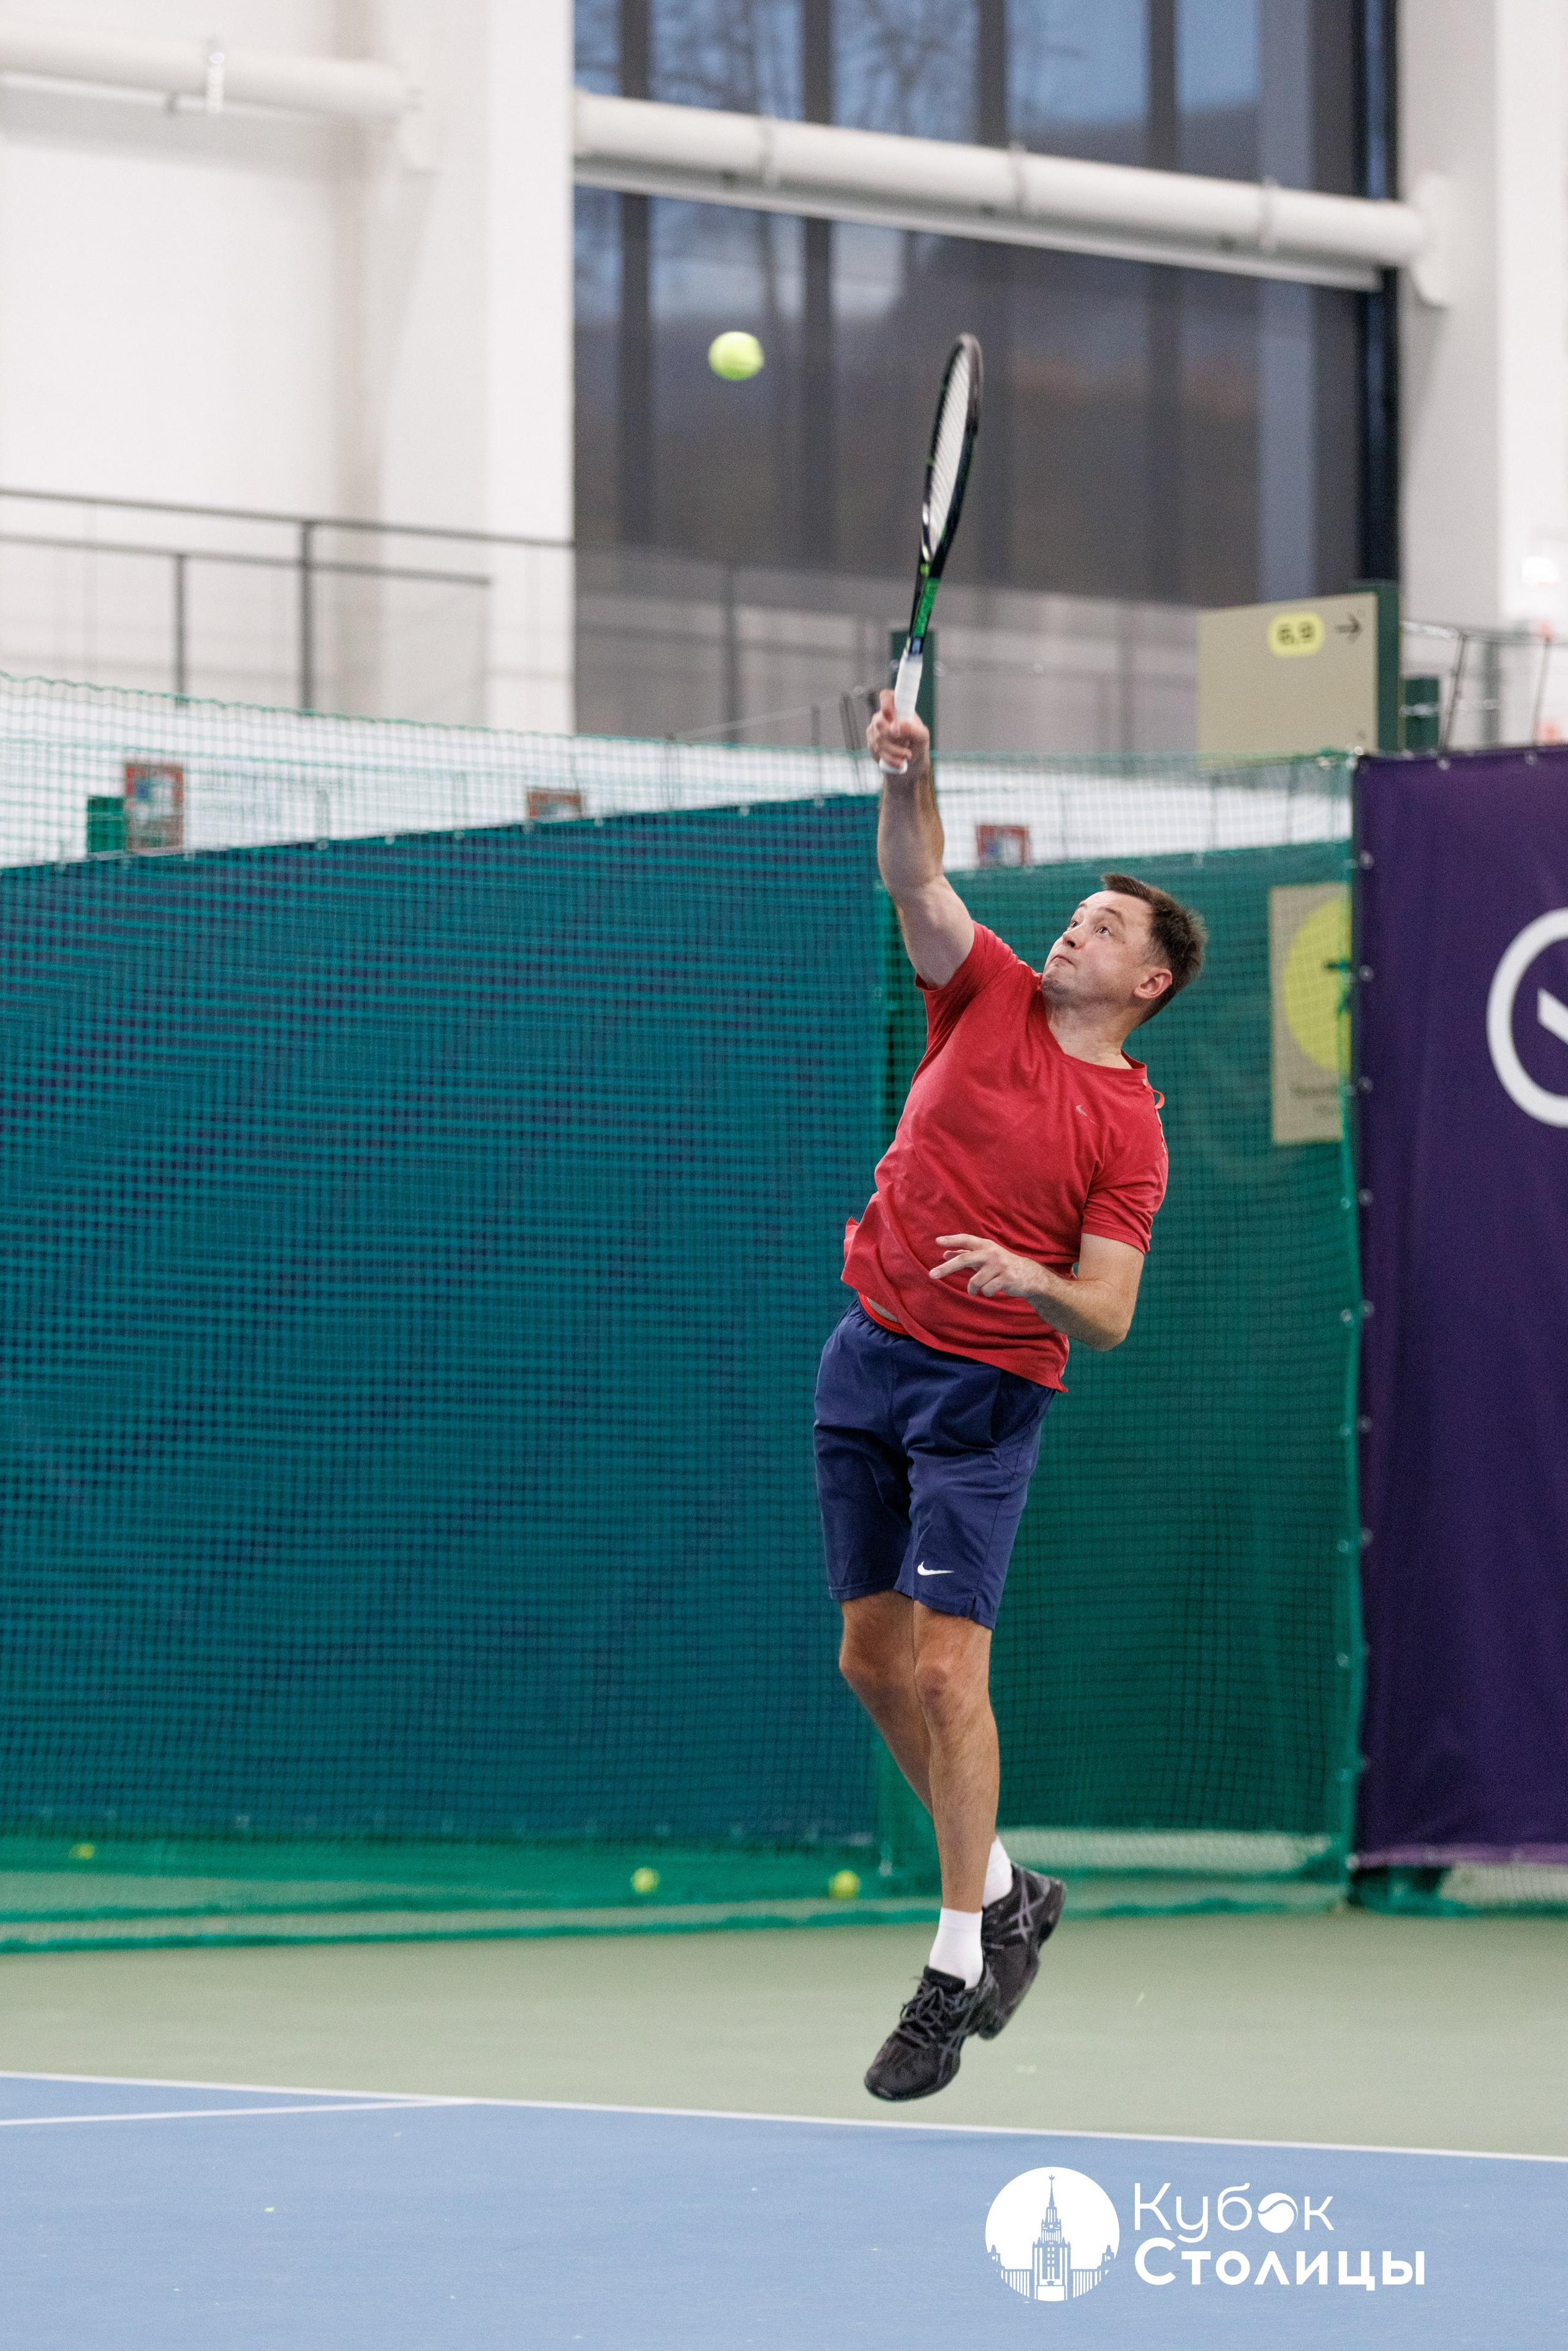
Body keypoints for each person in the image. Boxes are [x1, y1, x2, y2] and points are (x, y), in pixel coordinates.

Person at [815, 687, 1207, 2102]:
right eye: (1078, 913)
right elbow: (914, 871)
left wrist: (1022, 1272)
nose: (1073, 930)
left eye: (1108, 928)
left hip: (985, 1390)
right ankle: (1009, 1890)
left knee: (940, 1670)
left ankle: (951, 1962)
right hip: (867, 1349)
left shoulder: (1130, 1131)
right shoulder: (977, 986)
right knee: (868, 1660)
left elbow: (1104, 1311)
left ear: (1149, 980)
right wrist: (911, 771)